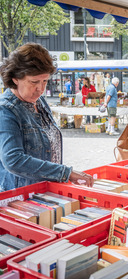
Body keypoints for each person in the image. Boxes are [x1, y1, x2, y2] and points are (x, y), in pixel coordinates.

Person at [0, 43, 93, 192]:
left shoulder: (39, 101)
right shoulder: (5, 110)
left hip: (46, 190)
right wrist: (65, 172)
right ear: (15, 78)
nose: (41, 89)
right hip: (22, 194)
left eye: (45, 81)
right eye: (34, 82)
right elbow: (13, 160)